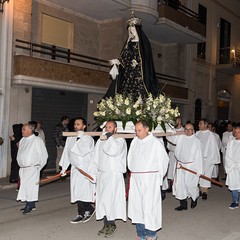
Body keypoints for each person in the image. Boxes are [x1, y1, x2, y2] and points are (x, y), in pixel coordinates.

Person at [128, 120, 169, 240]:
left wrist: (158, 178)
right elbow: (130, 158)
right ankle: (141, 233)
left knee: (149, 207)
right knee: (137, 207)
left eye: (139, 130)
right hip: (136, 178)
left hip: (150, 179)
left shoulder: (155, 142)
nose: (137, 133)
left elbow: (164, 160)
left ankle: (151, 234)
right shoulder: (135, 141)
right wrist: (134, 171)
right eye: (135, 130)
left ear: (147, 129)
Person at [104, 13, 160, 100]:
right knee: (125, 95)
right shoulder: (128, 44)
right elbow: (124, 60)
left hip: (139, 75)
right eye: (129, 29)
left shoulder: (143, 43)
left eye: (132, 29)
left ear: (137, 29)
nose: (131, 31)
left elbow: (146, 60)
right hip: (128, 75)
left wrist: (137, 62)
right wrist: (118, 62)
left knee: (139, 95)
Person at [88, 120, 127, 238]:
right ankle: (106, 223)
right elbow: (95, 158)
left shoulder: (120, 140)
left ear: (116, 129)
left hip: (113, 175)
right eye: (106, 127)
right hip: (102, 174)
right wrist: (92, 173)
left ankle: (112, 224)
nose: (107, 129)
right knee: (102, 200)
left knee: (110, 200)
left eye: (110, 127)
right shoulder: (100, 141)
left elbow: (113, 151)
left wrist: (110, 137)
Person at [59, 117, 95, 223]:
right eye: (75, 124)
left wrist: (81, 137)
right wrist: (64, 168)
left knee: (85, 192)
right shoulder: (71, 138)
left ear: (84, 126)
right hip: (75, 169)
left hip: (85, 169)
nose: (76, 126)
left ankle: (89, 209)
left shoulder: (88, 138)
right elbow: (67, 153)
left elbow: (82, 151)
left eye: (78, 124)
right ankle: (80, 213)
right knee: (77, 191)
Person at [16, 122, 48, 214]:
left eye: (23, 129)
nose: (22, 131)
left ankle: (29, 205)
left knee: (31, 187)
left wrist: (38, 168)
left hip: (32, 168)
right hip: (23, 168)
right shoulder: (23, 140)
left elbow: (44, 155)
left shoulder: (37, 140)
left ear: (31, 130)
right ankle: (30, 204)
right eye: (22, 129)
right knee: (25, 186)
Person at [173, 123, 203, 211]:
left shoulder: (196, 140)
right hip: (181, 165)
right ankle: (183, 204)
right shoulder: (181, 137)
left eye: (190, 129)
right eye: (186, 129)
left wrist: (199, 170)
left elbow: (199, 156)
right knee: (180, 185)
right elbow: (171, 138)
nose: (188, 131)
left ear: (193, 130)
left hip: (191, 165)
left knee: (190, 184)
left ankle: (194, 197)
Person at [196, 119, 220, 200]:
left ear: (205, 125)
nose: (199, 125)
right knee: (199, 174)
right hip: (198, 158)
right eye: (199, 124)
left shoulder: (211, 135)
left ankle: (205, 191)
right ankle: (200, 189)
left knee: (206, 175)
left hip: (207, 159)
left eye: (200, 123)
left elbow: (214, 148)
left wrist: (213, 159)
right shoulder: (197, 133)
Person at [166, 116, 184, 192]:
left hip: (180, 153)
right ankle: (171, 184)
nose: (175, 123)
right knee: (171, 170)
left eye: (176, 121)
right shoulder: (171, 130)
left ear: (180, 121)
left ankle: (178, 186)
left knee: (178, 170)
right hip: (172, 152)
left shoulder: (184, 130)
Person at [225, 124, 240, 209]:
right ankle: (235, 201)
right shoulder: (231, 143)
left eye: (239, 132)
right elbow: (228, 156)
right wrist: (232, 165)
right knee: (234, 184)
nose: (237, 134)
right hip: (232, 167)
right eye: (236, 132)